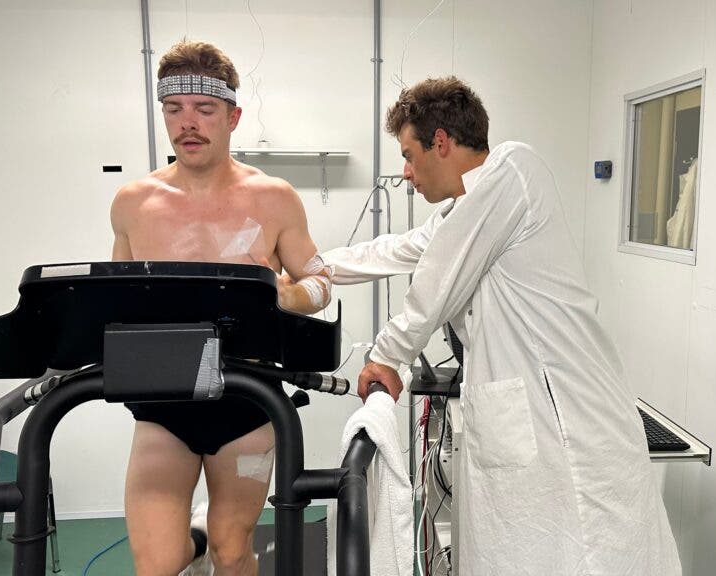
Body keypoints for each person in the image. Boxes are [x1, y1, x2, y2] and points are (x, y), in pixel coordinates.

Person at [323, 77, 682, 575]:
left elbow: (434, 281)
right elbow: (396, 249)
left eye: (409, 155)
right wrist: (312, 266)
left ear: (441, 142)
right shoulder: (462, 210)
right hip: (523, 423)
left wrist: (388, 354)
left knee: (592, 554)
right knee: (521, 553)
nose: (406, 173)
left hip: (571, 419)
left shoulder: (514, 170)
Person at [110, 40, 331, 576]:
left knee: (233, 552)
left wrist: (282, 295)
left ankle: (216, 539)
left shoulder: (274, 196)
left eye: (204, 110)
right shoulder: (133, 203)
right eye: (174, 109)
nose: (188, 123)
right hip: (164, 402)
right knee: (157, 564)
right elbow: (116, 300)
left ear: (232, 116)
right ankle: (195, 537)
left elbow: (320, 281)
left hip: (247, 401)